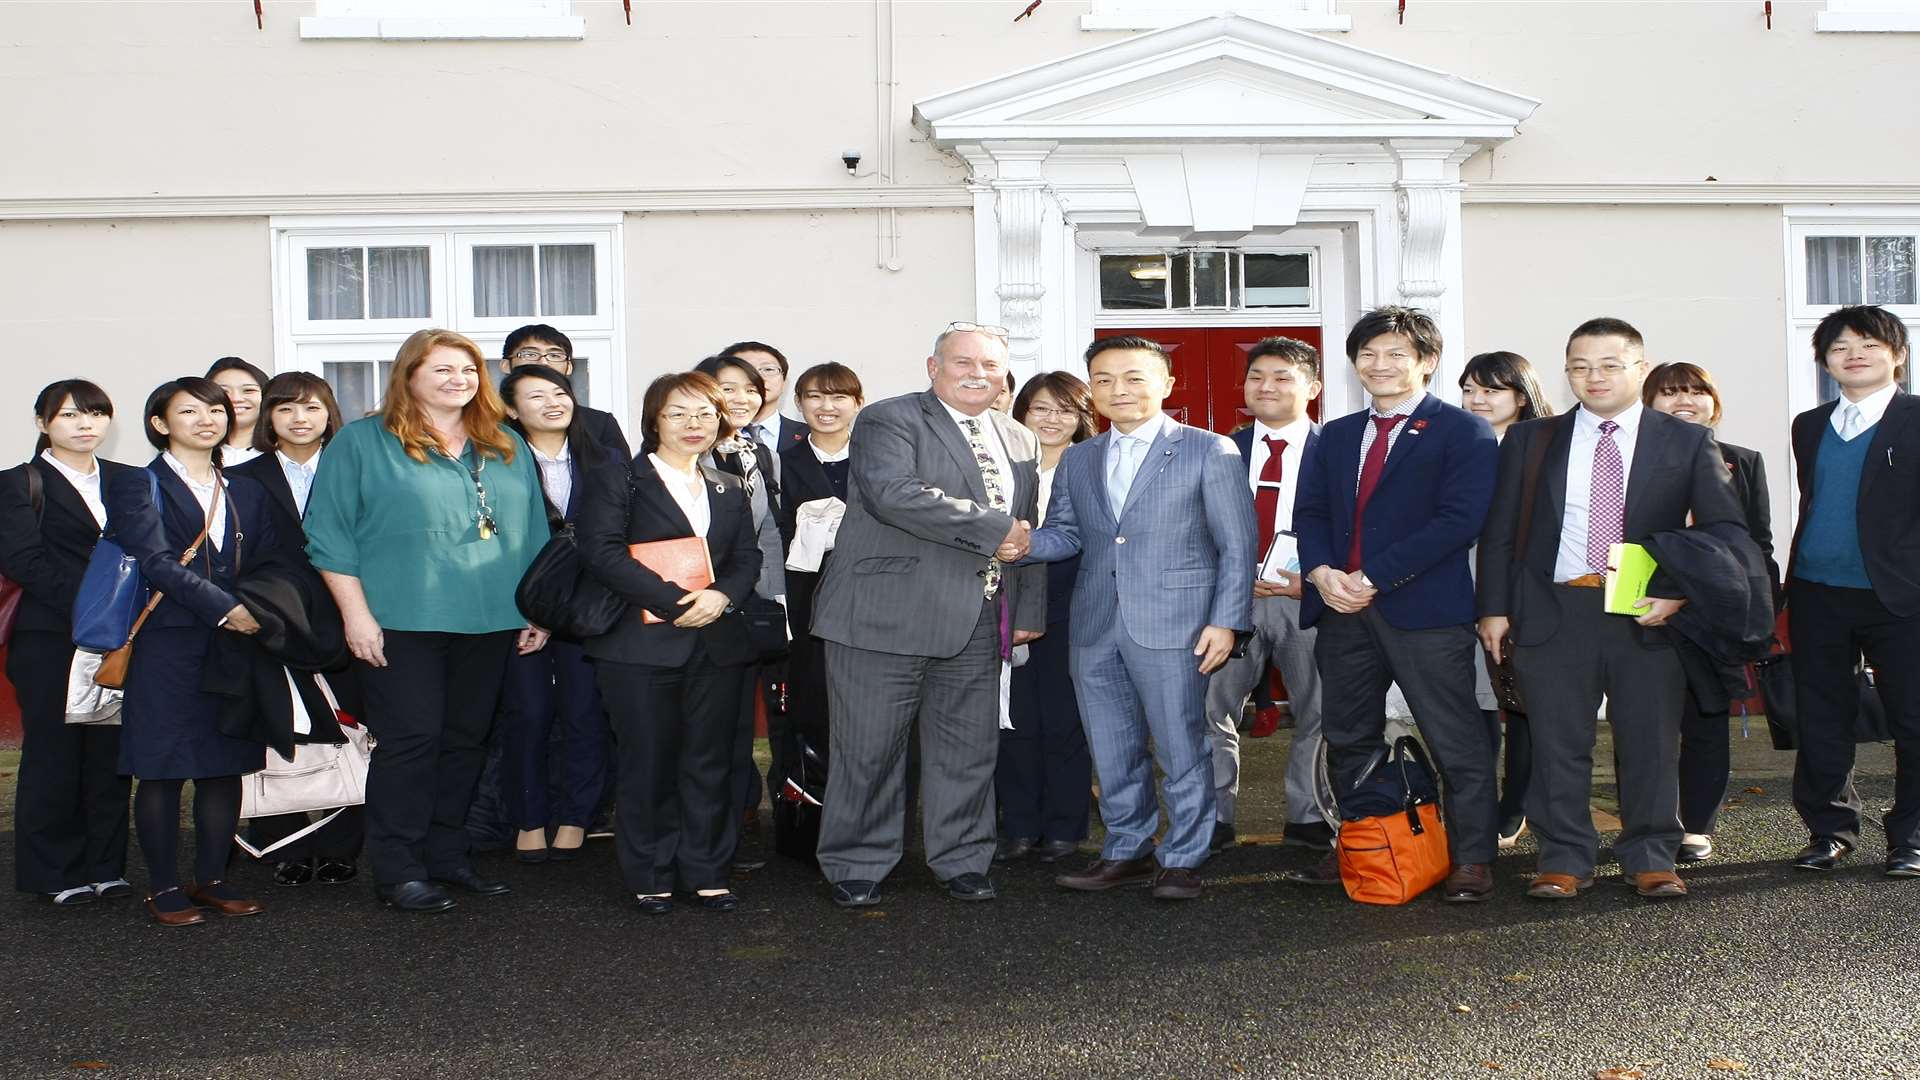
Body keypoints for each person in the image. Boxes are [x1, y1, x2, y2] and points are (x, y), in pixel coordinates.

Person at [1478, 318, 1745, 901]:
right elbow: (1500, 532)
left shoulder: (1684, 440)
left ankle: (1650, 853)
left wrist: (1678, 591)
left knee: (1650, 740)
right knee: (1556, 741)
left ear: (1638, 369)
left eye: (1608, 365)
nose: (1592, 377)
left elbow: (1724, 530)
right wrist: (1493, 609)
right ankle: (1563, 858)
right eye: (1579, 366)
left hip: (1647, 612)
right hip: (1553, 608)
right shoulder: (1532, 439)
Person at [304, 328, 551, 913]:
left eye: (467, 370)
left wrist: (538, 609)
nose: (457, 380)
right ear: (408, 375)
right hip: (398, 620)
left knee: (466, 741)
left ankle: (446, 854)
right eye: (440, 369)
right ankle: (398, 866)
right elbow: (327, 534)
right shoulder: (363, 442)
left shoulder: (505, 443)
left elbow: (534, 532)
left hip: (491, 618)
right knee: (412, 741)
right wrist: (356, 617)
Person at [810, 322, 1044, 907]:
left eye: (990, 365)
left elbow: (1029, 528)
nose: (977, 373)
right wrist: (995, 531)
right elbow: (896, 496)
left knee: (969, 750)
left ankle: (963, 860)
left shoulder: (1019, 438)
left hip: (977, 619)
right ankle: (856, 862)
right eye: (962, 362)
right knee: (868, 749)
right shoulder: (890, 420)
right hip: (882, 618)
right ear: (933, 367)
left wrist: (1027, 607)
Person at [1030, 336, 1256, 902]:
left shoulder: (1211, 450)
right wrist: (1015, 542)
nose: (1118, 390)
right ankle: (1126, 849)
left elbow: (1237, 544)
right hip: (1095, 622)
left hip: (1178, 621)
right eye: (1103, 379)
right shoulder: (1081, 457)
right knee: (1111, 746)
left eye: (1133, 377)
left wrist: (1227, 621)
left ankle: (1183, 856)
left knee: (1182, 745)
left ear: (1166, 385)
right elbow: (1067, 533)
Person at [1290, 306, 1500, 902]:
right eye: (1368, 354)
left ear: (1428, 362)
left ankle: (1472, 858)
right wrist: (1323, 572)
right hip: (1342, 610)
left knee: (1456, 736)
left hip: (1425, 609)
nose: (1379, 366)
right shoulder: (1336, 433)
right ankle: (1364, 839)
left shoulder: (1463, 431)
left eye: (1396, 355)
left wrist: (1375, 577)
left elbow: (1459, 520)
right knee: (1349, 733)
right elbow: (1312, 514)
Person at [576, 371, 762, 913]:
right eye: (678, 412)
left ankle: (706, 868)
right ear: (654, 419)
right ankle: (651, 872)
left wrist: (722, 597)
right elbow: (602, 552)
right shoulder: (619, 479)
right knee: (648, 760)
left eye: (705, 413)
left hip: (717, 642)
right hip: (640, 646)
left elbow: (747, 557)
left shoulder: (726, 484)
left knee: (711, 762)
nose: (693, 424)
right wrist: (678, 602)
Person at [107, 377, 278, 925]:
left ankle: (213, 880)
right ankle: (162, 887)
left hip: (237, 644)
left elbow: (273, 560)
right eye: (189, 411)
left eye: (215, 410)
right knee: (160, 768)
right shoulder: (139, 485)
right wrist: (227, 609)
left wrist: (266, 610)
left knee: (223, 764)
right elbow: (156, 561)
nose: (207, 419)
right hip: (168, 644)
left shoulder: (246, 487)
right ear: (160, 424)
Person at [1783, 305, 1920, 878]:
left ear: (1898, 356)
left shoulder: (1915, 418)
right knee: (1821, 717)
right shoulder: (1809, 425)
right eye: (1840, 347)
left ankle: (1910, 837)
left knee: (1913, 719)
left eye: (1868, 344)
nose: (1854, 354)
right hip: (1818, 592)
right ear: (1825, 361)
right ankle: (1829, 830)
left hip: (1901, 598)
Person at [228, 372, 365, 887]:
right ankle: (285, 842)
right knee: (279, 726)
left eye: (311, 408)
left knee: (355, 725)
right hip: (275, 618)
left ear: (330, 414)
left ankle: (342, 845)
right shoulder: (243, 476)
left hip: (352, 611)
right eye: (285, 410)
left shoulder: (356, 466)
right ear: (269, 419)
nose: (299, 419)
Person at [0, 381, 132, 906]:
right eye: (70, 415)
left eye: (97, 414)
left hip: (121, 638)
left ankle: (106, 865)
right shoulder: (18, 484)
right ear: (42, 424)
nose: (85, 425)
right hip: (51, 634)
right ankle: (53, 870)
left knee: (108, 752)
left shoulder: (128, 480)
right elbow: (23, 561)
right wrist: (95, 607)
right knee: (54, 752)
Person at [1642, 361, 1777, 863]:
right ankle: (1649, 819)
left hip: (1714, 614)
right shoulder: (1631, 459)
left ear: (1713, 401)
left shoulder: (1743, 461)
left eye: (1695, 391)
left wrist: (1760, 612)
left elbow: (1757, 544)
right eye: (1670, 392)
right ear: (1649, 402)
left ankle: (1695, 825)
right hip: (1647, 608)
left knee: (1706, 719)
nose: (1684, 400)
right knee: (1646, 723)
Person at [1204, 337, 1333, 855]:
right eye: (1257, 376)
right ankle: (1212, 818)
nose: (1267, 386)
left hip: (1309, 598)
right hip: (1230, 603)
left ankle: (1309, 816)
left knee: (1320, 712)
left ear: (1313, 388)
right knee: (1210, 712)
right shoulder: (1217, 449)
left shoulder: (1338, 452)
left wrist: (1321, 577)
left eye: (1283, 376)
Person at [497, 365, 614, 864]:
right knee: (528, 713)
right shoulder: (494, 461)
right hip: (518, 607)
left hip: (587, 607)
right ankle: (527, 816)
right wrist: (534, 614)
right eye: (535, 395)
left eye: (560, 392)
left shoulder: (604, 458)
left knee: (585, 713)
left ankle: (576, 816)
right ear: (510, 408)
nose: (552, 402)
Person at [994, 372, 1097, 865]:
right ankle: (1018, 825)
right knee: (1012, 719)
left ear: (1081, 418)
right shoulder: (1003, 463)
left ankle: (1065, 825)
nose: (1052, 419)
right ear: (1022, 413)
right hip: (1006, 598)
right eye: (1040, 408)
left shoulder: (1092, 466)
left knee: (1064, 718)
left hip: (1074, 600)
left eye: (1065, 409)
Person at [1459, 350, 1557, 849]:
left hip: (1525, 591)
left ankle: (1514, 806)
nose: (1477, 399)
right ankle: (1479, 807)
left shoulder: (1548, 444)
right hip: (1460, 586)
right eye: (1470, 389)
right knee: (1476, 701)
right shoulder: (1456, 441)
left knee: (1523, 705)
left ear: (1521, 395)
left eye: (1491, 389)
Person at [692, 354, 786, 849]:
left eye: (751, 388)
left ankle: (739, 820)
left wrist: (774, 598)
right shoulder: (687, 451)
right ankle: (710, 833)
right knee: (710, 727)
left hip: (751, 601)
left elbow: (767, 530)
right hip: (700, 603)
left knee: (744, 725)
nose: (744, 398)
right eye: (729, 389)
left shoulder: (755, 453)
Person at [774, 362, 864, 837]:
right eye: (814, 397)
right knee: (810, 707)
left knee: (866, 715)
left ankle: (864, 823)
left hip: (871, 600)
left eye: (838, 397)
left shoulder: (877, 459)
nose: (826, 407)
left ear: (858, 403)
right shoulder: (781, 462)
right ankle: (807, 822)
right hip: (805, 599)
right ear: (799, 403)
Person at [499, 324, 632, 461]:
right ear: (505, 365)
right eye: (530, 354)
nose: (544, 362)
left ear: (569, 367)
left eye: (555, 355)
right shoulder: (490, 427)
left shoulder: (599, 424)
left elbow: (624, 476)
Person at [723, 340, 809, 465]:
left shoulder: (810, 436)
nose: (758, 378)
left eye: (768, 369)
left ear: (784, 381)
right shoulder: (705, 435)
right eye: (745, 369)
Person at [206, 356, 268, 466]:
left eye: (248, 390)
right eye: (224, 391)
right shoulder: (190, 451)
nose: (235, 398)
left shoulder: (284, 452)